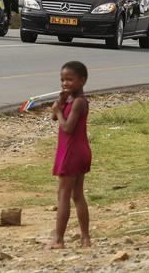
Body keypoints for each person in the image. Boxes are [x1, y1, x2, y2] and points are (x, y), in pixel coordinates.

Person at [48, 61, 92, 249]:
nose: (65, 83)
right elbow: (54, 116)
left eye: (69, 80)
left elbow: (67, 127)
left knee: (63, 194)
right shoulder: (70, 100)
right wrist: (60, 102)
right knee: (77, 195)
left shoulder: (79, 102)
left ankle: (58, 240)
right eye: (62, 80)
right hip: (80, 150)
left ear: (82, 81)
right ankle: (85, 238)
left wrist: (58, 111)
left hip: (71, 151)